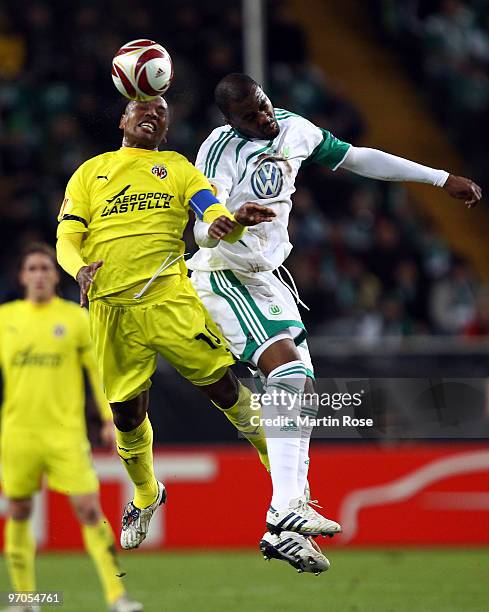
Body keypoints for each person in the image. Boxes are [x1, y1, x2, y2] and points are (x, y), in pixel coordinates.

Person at [187, 72, 482, 567]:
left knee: (302, 385)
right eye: (249, 116)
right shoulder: (217, 152)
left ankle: (285, 518)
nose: (262, 119)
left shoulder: (294, 128)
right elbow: (202, 227)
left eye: (263, 106)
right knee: (289, 374)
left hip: (267, 276)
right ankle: (285, 511)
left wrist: (438, 178)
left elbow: (359, 158)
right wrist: (227, 222)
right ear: (229, 121)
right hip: (223, 275)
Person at [55, 96, 336, 574]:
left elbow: (209, 214)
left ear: (166, 127)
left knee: (226, 390)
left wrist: (228, 222)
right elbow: (66, 236)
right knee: (125, 415)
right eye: (142, 108)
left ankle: (292, 503)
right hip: (110, 309)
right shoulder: (90, 172)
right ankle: (147, 494)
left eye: (162, 111)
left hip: (171, 300)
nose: (153, 115)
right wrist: (78, 269)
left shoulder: (179, 168)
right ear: (122, 119)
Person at [0, 243, 142, 612]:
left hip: (65, 432)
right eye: (32, 268)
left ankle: (117, 596)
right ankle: (25, 599)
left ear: (55, 275)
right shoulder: (5, 319)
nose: (40, 275)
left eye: (46, 268)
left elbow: (96, 372)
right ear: (21, 276)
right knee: (17, 510)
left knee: (89, 509)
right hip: (18, 432)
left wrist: (110, 419)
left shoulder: (75, 318)